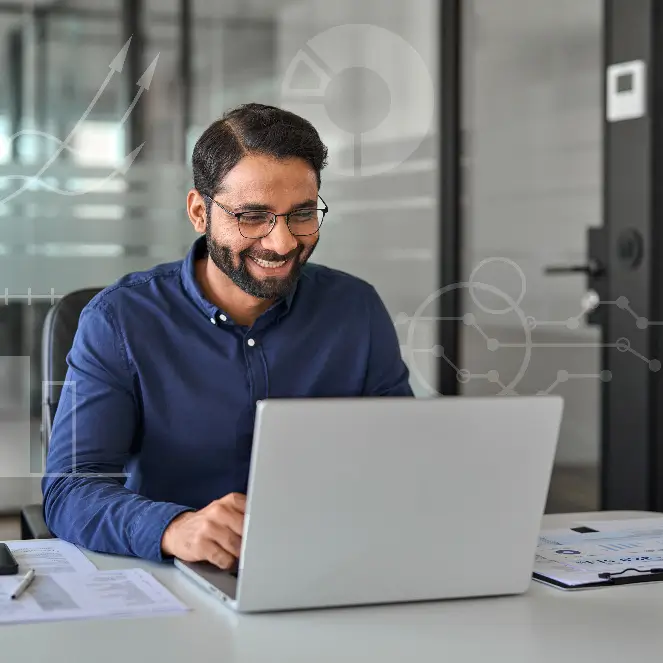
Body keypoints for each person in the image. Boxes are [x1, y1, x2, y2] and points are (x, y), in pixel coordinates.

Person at [42, 103, 413, 570]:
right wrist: (176, 528)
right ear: (200, 212)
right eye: (252, 217)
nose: (281, 243)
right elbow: (70, 491)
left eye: (301, 214)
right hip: (177, 580)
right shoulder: (119, 320)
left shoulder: (356, 309)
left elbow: (403, 460)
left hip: (330, 564)